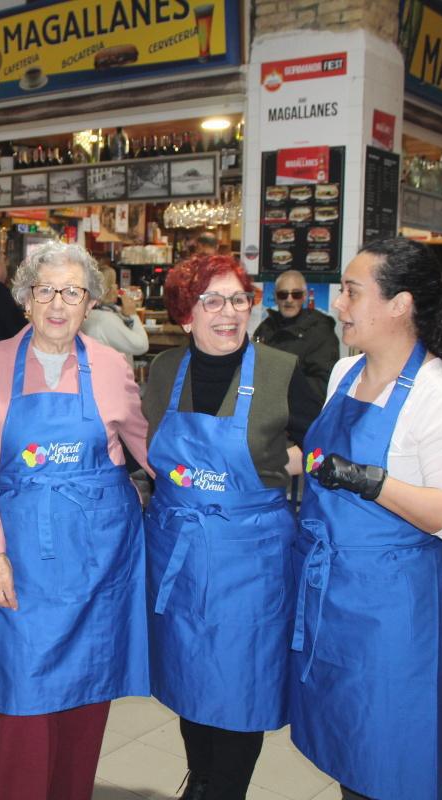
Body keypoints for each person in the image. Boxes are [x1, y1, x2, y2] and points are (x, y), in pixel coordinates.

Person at [291, 238, 442, 800]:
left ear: (399, 305)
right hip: (335, 598)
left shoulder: (440, 397)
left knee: (394, 760)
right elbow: (322, 462)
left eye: (353, 293)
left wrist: (375, 483)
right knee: (349, 748)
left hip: (397, 611)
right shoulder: (343, 374)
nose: (339, 305)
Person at [0, 241, 150, 800]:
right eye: (45, 291)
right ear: (25, 299)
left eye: (72, 291)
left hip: (100, 559)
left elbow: (148, 449)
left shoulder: (113, 365)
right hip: (22, 560)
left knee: (89, 696)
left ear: (90, 302)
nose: (58, 304)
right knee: (26, 698)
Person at [143, 254, 320, 800]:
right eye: (211, 300)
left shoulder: (278, 371)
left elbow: (325, 448)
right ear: (185, 314)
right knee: (190, 672)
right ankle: (200, 781)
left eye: (238, 299)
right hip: (180, 549)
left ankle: (226, 792)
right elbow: (146, 443)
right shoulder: (165, 370)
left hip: (252, 555)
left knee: (240, 683)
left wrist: (282, 464)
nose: (228, 313)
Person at [253, 269, 339, 403]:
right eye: (283, 294)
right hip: (265, 409)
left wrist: (277, 384)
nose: (289, 300)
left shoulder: (320, 330)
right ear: (275, 297)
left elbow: (324, 384)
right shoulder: (266, 327)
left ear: (304, 296)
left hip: (299, 415)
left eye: (296, 294)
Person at [80, 264, 150, 357]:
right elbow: (142, 346)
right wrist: (133, 314)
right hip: (113, 371)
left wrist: (125, 312)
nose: (117, 287)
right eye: (114, 282)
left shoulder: (86, 313)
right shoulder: (106, 319)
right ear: (107, 289)